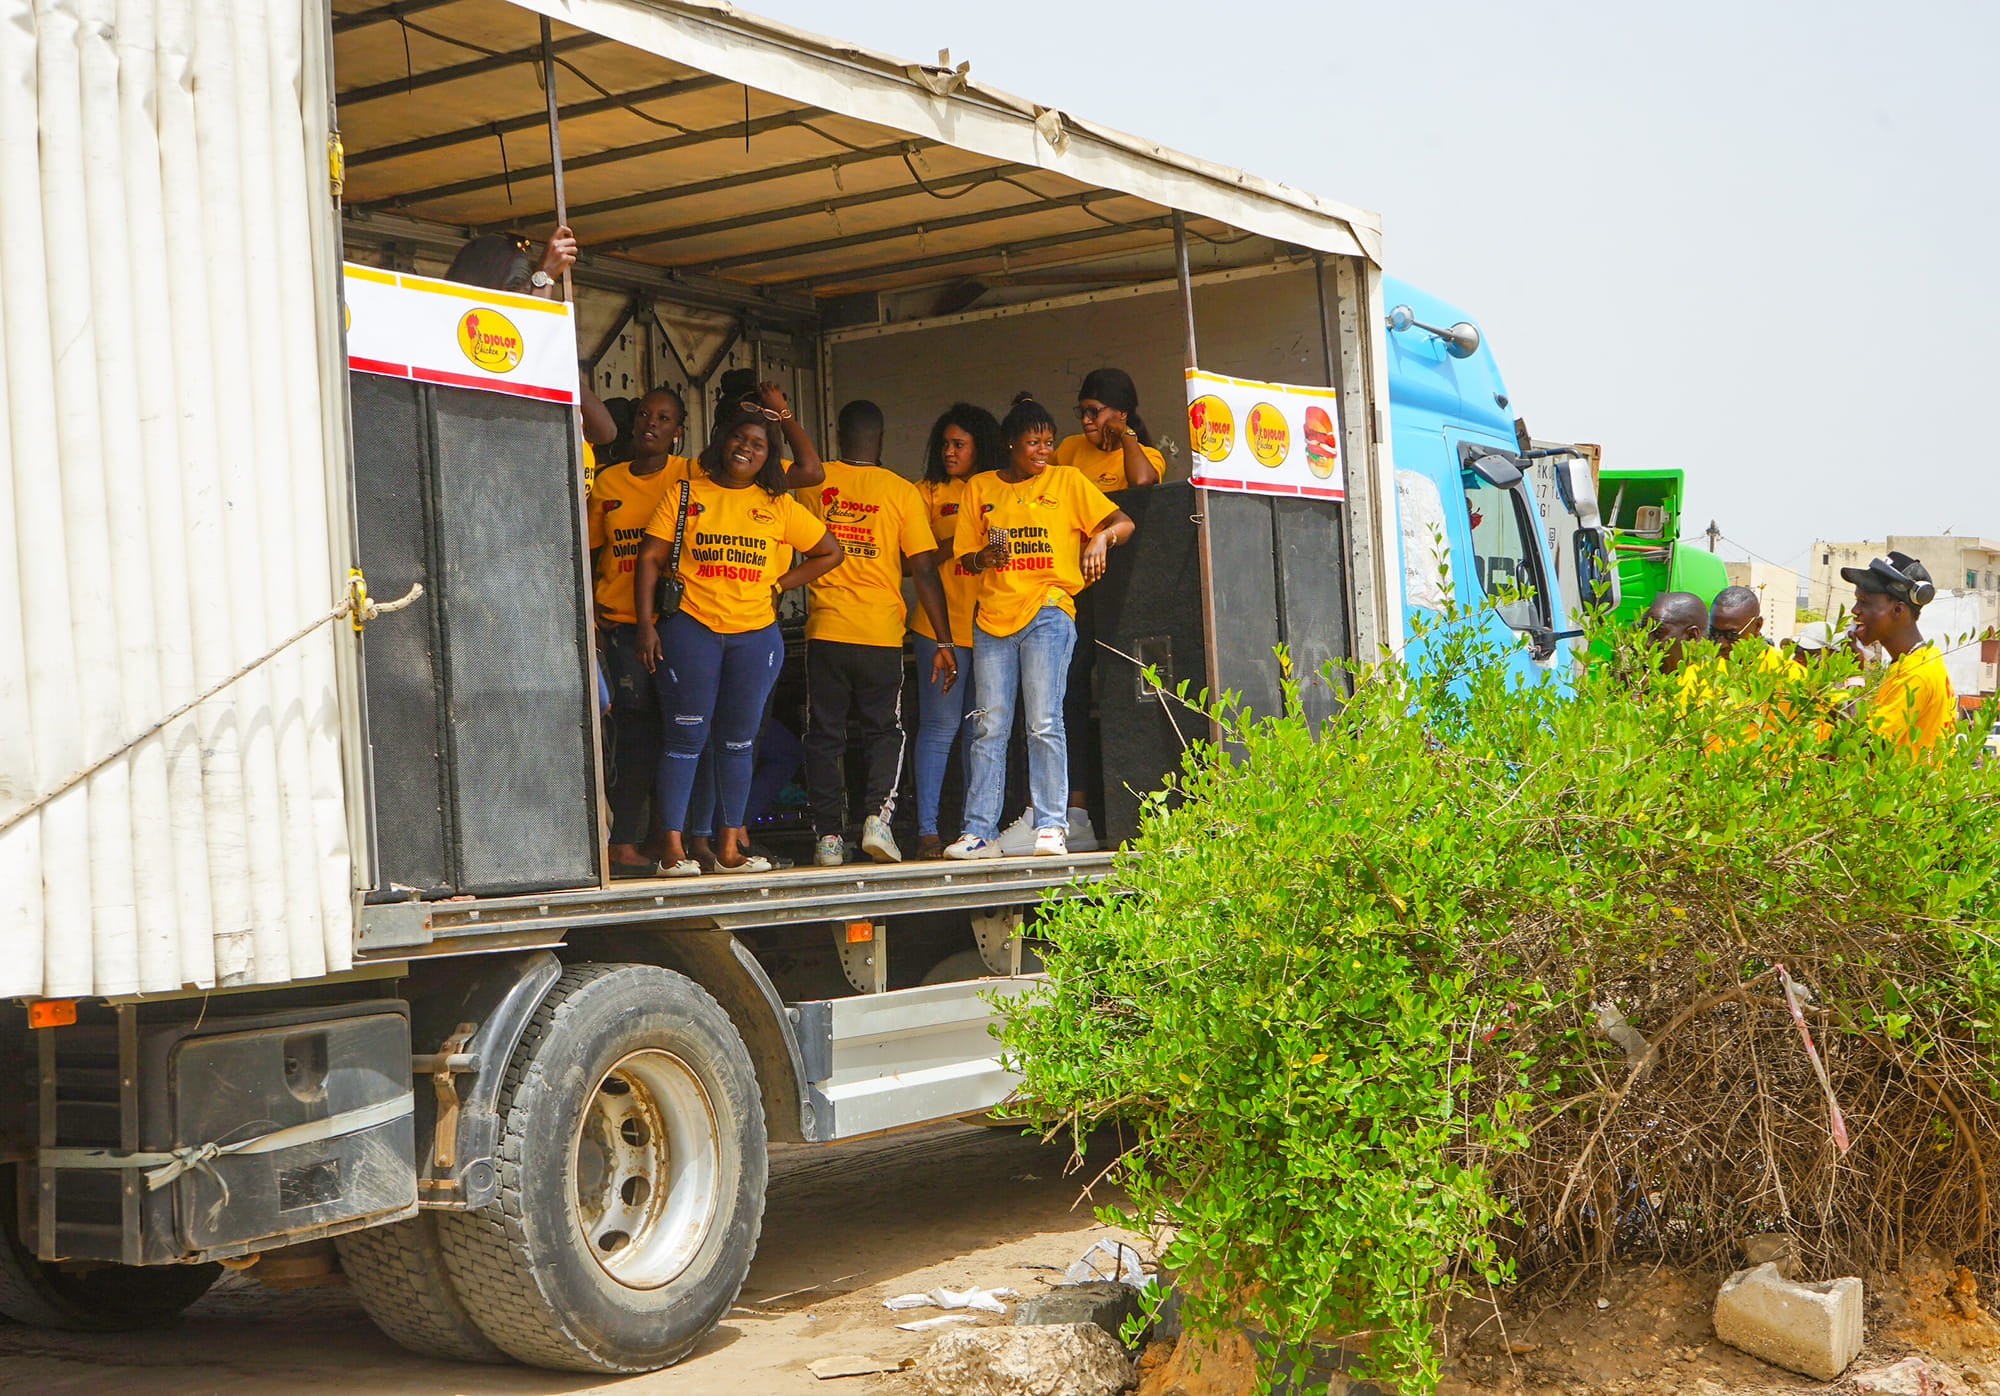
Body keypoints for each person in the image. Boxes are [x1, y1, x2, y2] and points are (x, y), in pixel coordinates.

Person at [632, 395, 844, 876]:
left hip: (754, 636)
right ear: (722, 441)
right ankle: (672, 850)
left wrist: (778, 584)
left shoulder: (777, 504)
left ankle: (729, 849)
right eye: (739, 438)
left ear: (769, 456)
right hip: (692, 628)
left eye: (758, 445)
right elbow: (649, 559)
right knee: (685, 738)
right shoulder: (687, 493)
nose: (746, 449)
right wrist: (646, 625)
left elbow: (829, 552)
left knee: (738, 744)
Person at [946, 394, 1136, 860]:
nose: (1043, 451)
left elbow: (1123, 521)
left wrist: (1099, 538)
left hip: (1048, 610)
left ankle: (1051, 825)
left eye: (1049, 442)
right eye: (1034, 443)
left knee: (1044, 720)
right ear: (1011, 444)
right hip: (992, 618)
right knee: (989, 726)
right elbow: (963, 560)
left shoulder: (1067, 481)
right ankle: (978, 833)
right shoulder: (980, 489)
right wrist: (982, 558)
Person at [798, 400, 956, 867]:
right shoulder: (899, 490)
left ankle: (828, 838)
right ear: (881, 440)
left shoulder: (816, 481)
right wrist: (943, 641)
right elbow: (924, 571)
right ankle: (876, 821)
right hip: (879, 635)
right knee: (884, 731)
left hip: (826, 630)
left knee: (824, 733)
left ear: (838, 435)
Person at [587, 388, 693, 873]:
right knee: (635, 735)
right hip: (624, 629)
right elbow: (585, 551)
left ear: (678, 432)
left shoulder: (690, 475)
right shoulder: (607, 482)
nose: (651, 423)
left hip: (681, 624)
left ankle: (676, 837)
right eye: (646, 415)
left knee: (682, 733)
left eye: (664, 418)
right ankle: (624, 840)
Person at [910, 404, 1002, 858]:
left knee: (980, 733)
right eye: (944, 444)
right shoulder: (925, 491)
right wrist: (964, 544)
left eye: (959, 445)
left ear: (978, 447)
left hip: (989, 626)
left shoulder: (995, 488)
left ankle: (974, 829)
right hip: (937, 626)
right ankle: (927, 829)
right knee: (939, 728)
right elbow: (916, 560)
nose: (949, 452)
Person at [1842, 551, 1957, 755]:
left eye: (1865, 602)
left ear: (1898, 610)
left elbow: (1863, 752)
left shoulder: (1916, 673)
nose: (1854, 610)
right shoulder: (1914, 662)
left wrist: (1849, 676)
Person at [1054, 367, 1163, 490]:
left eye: (1093, 411)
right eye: (1082, 412)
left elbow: (1141, 482)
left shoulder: (1148, 456)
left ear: (1122, 412)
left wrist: (1126, 434)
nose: (1085, 420)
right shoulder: (1070, 446)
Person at [1642, 591, 1707, 675]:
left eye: (1658, 633)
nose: (1647, 643)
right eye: (1644, 634)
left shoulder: (1707, 684)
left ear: (1691, 636)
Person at [1707, 586, 1767, 657]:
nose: (1721, 644)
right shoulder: (1705, 665)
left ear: (1757, 625)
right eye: (1714, 633)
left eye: (1731, 635)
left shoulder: (1779, 665)